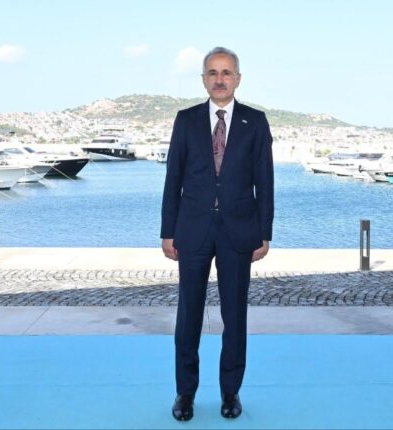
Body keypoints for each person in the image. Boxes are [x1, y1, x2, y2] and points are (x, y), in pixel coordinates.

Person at [160, 46, 274, 421]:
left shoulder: (256, 122)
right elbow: (173, 179)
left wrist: (264, 232)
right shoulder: (186, 120)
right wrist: (168, 231)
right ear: (204, 80)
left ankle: (230, 392)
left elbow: (265, 182)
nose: (220, 79)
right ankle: (185, 393)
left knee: (234, 317)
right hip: (192, 230)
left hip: (239, 232)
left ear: (238, 78)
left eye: (226, 72)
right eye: (213, 72)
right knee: (188, 316)